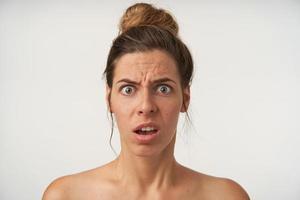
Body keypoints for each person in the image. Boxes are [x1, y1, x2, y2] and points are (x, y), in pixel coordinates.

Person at [42, 3, 250, 200]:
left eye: (163, 88)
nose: (145, 107)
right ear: (109, 100)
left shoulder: (226, 196)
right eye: (128, 89)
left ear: (185, 99)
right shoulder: (66, 196)